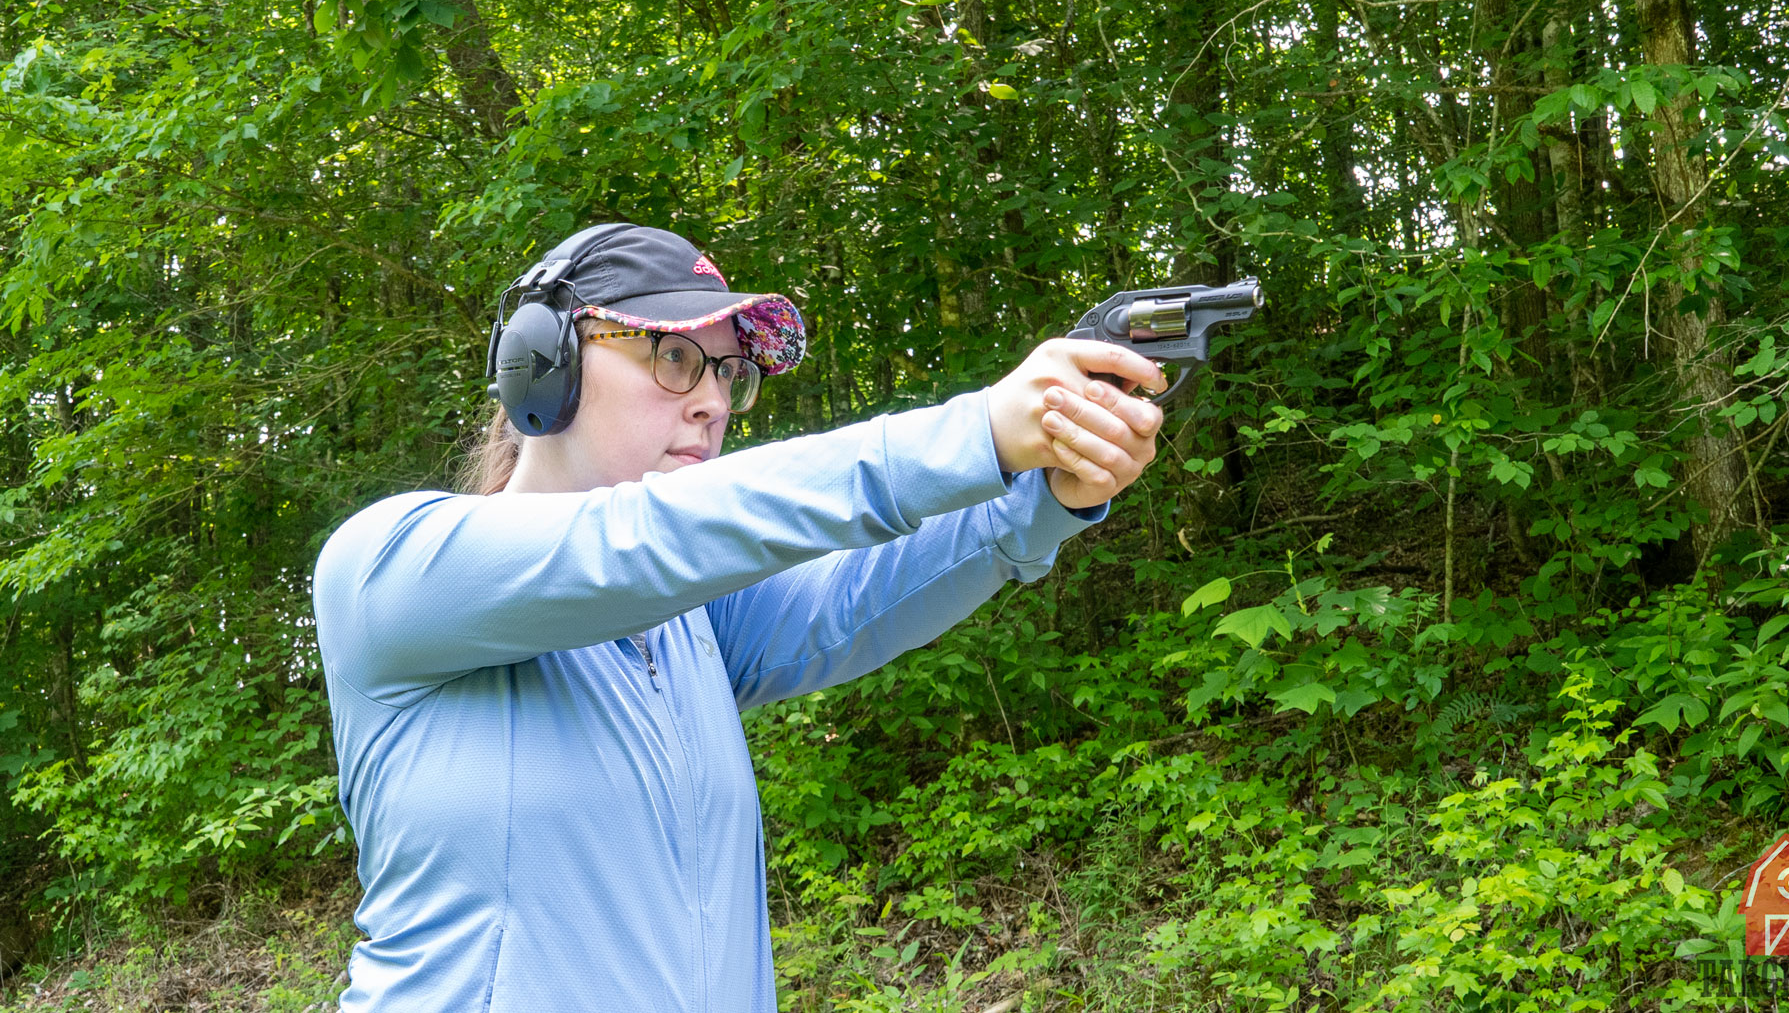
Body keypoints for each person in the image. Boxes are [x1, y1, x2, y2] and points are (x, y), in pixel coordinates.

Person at [311, 224, 1165, 1011]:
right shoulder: (391, 570)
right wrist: (976, 431)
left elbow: (855, 598)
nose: (713, 400)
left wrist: (1045, 492)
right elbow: (637, 544)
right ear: (544, 367)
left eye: (726, 371)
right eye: (676, 358)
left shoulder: (685, 623)